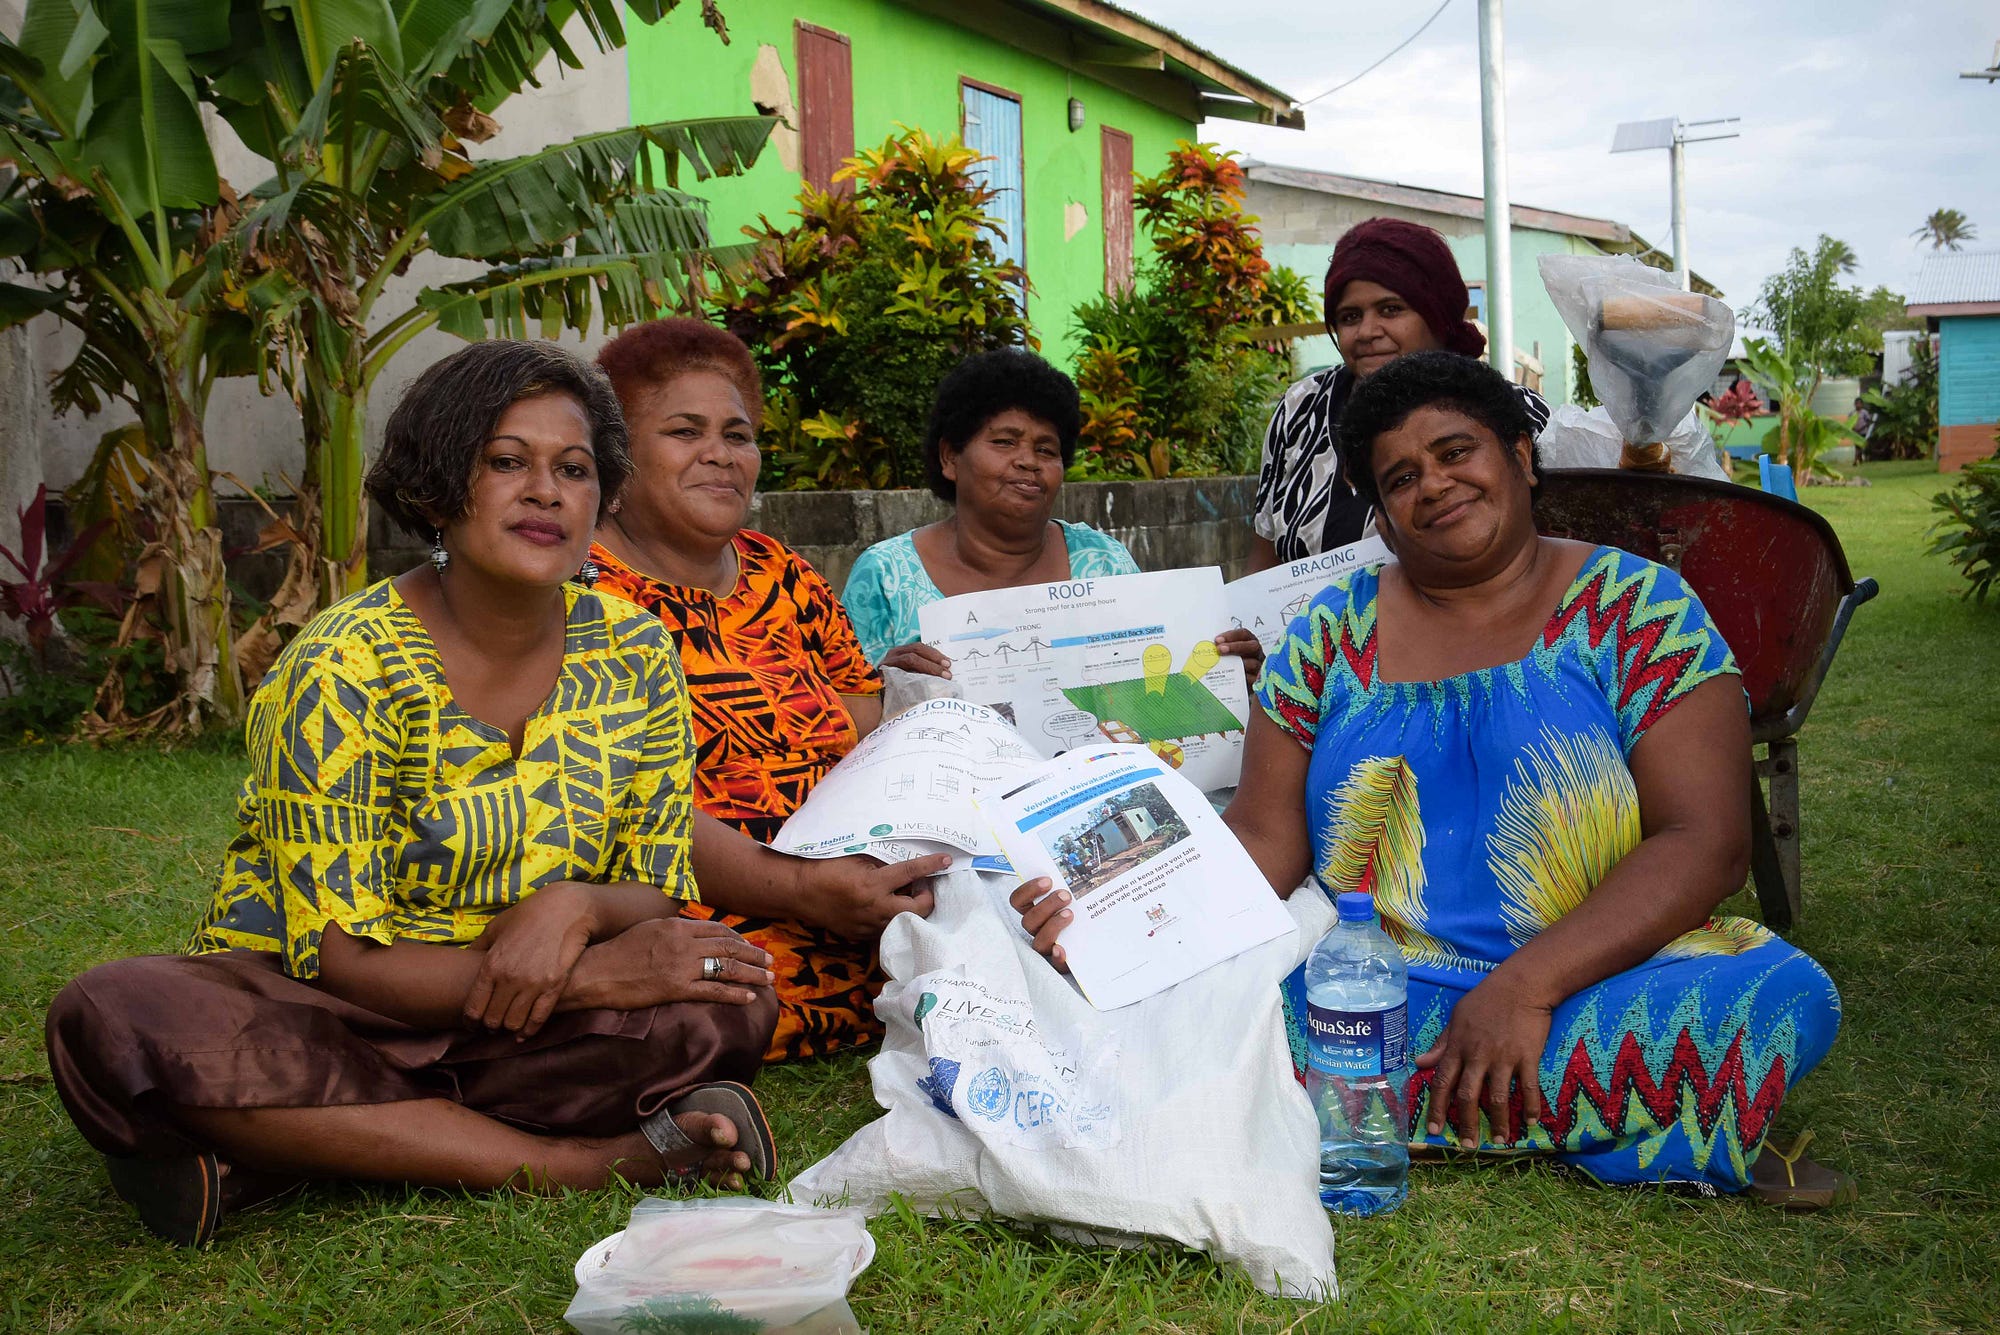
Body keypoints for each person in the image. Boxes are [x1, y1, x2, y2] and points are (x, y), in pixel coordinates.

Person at [1015, 351, 1851, 1207]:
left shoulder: (1642, 607)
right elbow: (1264, 838)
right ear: (1380, 518)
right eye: (1402, 477)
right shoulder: (1328, 633)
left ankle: (1361, 1108)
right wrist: (1123, 920)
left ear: (1521, 458)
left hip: (1599, 972)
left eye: (1457, 452)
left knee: (1784, 996)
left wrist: (1525, 989)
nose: (1436, 485)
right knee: (1180, 1003)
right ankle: (1622, 1115)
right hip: (1372, 987)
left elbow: (1706, 842)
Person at [45, 342, 781, 1248]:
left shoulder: (635, 652)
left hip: (514, 1020)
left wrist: (577, 905)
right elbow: (346, 961)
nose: (546, 491)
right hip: (331, 1008)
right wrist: (592, 974)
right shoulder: (344, 664)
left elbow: (653, 878)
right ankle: (585, 1161)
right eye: (507, 462)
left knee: (728, 998)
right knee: (115, 1015)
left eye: (575, 468)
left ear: (605, 497)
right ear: (437, 487)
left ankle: (281, 1145)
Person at [588, 318, 947, 1063]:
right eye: (685, 431)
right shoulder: (581, 598)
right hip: (700, 925)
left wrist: (914, 699)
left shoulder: (781, 571)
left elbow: (862, 728)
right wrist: (806, 890)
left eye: (737, 434)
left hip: (859, 907)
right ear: (615, 459)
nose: (720, 453)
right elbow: (627, 812)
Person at [842, 347, 1261, 678]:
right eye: (1005, 442)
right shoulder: (884, 577)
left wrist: (1225, 670)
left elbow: (1155, 674)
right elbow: (840, 713)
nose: (1029, 461)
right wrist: (884, 688)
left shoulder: (1102, 563)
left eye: (1046, 449)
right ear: (950, 457)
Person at [1250, 218, 1552, 572]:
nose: (1366, 332)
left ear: (1437, 314)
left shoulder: (1514, 412)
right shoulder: (1302, 407)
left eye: (1391, 310)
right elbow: (1264, 554)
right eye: (1349, 317)